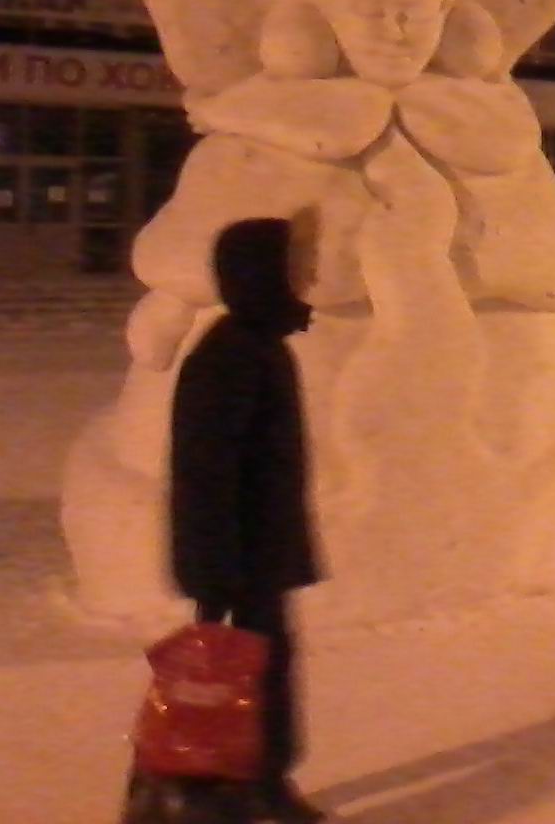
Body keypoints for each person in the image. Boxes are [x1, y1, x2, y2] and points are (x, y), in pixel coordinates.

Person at [169, 217, 325, 824]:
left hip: (256, 552)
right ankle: (243, 787)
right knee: (247, 675)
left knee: (265, 669)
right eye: (295, 265)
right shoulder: (231, 355)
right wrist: (212, 576)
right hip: (239, 559)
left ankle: (257, 783)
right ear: (263, 275)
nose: (307, 276)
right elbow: (203, 472)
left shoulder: (257, 346)